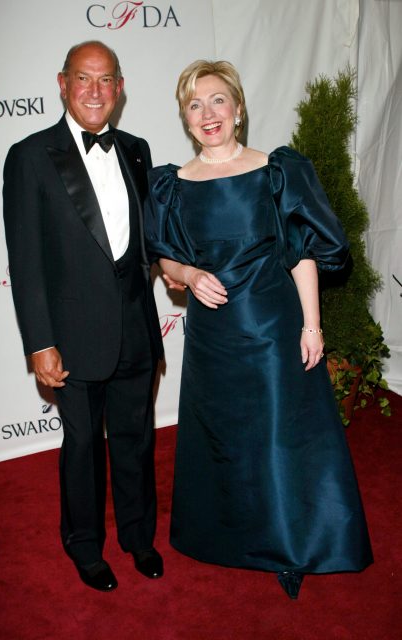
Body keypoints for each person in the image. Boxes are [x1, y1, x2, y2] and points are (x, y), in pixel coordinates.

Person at [145, 60, 373, 599]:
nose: (208, 113)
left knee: (278, 438)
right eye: (195, 104)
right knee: (223, 438)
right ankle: (228, 538)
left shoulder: (276, 171)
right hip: (211, 338)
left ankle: (290, 546)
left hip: (272, 329)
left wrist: (312, 325)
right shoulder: (172, 185)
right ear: (185, 116)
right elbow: (166, 261)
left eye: (218, 100)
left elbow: (302, 256)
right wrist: (190, 273)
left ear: (239, 109)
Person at [3, 41, 164, 592]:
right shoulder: (30, 155)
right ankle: (84, 546)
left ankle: (140, 537)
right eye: (83, 79)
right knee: (82, 446)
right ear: (63, 83)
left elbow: (151, 241)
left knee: (135, 438)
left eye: (106, 80)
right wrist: (39, 341)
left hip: (137, 326)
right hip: (71, 335)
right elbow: (25, 261)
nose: (95, 91)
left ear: (120, 89)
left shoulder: (138, 151)